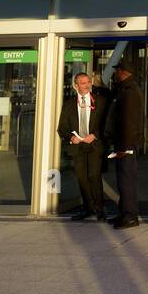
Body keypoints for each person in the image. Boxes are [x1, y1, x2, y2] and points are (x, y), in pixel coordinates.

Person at [58, 71, 110, 222]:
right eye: (83, 83)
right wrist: (71, 137)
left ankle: (100, 210)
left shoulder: (100, 101)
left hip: (94, 144)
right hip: (78, 146)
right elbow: (62, 127)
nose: (87, 85)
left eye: (88, 82)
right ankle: (88, 208)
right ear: (76, 86)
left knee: (94, 176)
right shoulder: (68, 104)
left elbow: (106, 123)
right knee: (82, 178)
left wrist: (94, 135)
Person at [103, 61, 144, 230]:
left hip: (126, 144)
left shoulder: (130, 91)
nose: (115, 74)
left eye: (117, 70)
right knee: (122, 181)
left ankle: (129, 216)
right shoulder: (124, 89)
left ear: (123, 72)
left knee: (126, 181)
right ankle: (124, 213)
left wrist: (123, 147)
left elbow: (129, 122)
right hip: (123, 143)